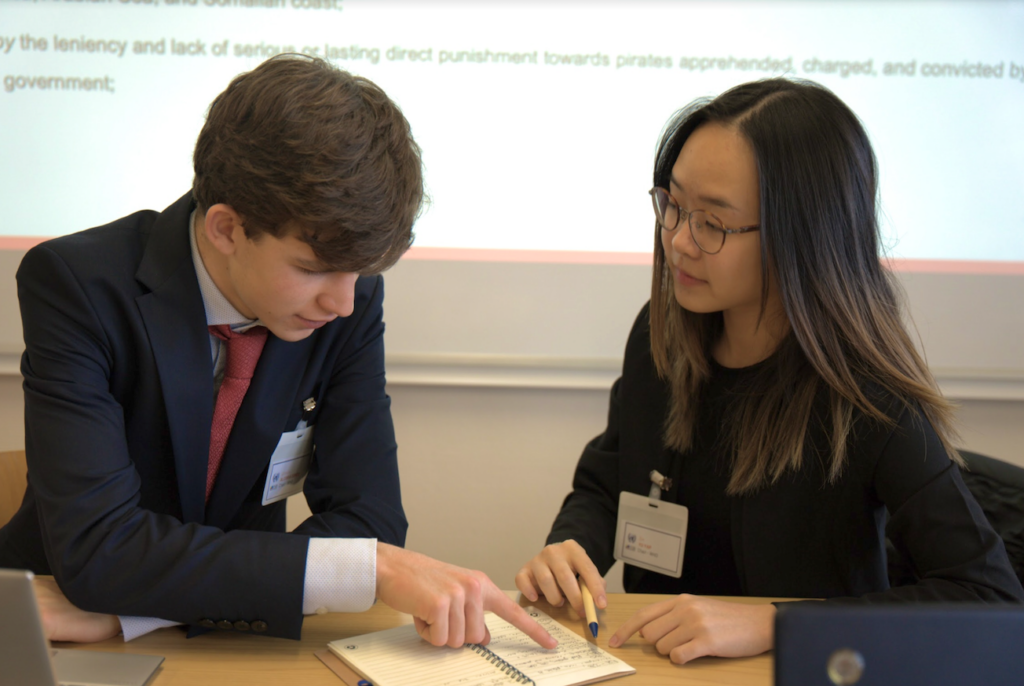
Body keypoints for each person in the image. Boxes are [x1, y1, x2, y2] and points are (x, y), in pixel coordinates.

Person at [0, 54, 555, 651]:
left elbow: (369, 521)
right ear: (226, 229)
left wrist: (131, 615)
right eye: (313, 268)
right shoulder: (79, 286)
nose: (342, 302)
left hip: (197, 638)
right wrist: (368, 570)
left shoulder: (349, 300)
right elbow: (101, 551)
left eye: (359, 273)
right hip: (48, 636)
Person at [515, 77, 1023, 665]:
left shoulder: (867, 398)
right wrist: (571, 547)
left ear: (801, 236)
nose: (678, 240)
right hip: (660, 662)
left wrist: (777, 621)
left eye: (713, 223)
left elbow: (990, 599)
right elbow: (610, 482)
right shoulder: (663, 336)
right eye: (673, 205)